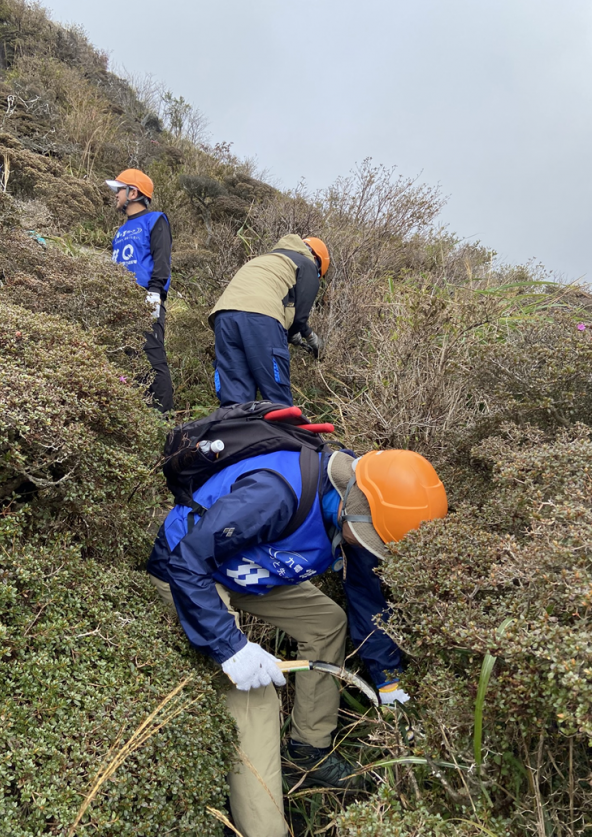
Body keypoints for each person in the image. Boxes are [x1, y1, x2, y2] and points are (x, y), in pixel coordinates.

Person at [147, 444, 448, 837]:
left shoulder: (358, 504)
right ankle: (264, 827)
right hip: (189, 573)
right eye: (373, 539)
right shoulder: (273, 495)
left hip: (246, 566)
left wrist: (389, 679)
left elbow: (365, 596)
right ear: (355, 507)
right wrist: (231, 647)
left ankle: (308, 750)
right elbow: (189, 561)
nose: (372, 548)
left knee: (327, 623)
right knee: (255, 698)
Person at [209, 234, 329, 407]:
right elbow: (300, 316)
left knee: (235, 398)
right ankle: (280, 432)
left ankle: (234, 430)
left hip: (224, 317)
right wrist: (308, 338)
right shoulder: (307, 264)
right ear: (318, 261)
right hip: (261, 319)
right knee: (276, 395)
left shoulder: (266, 259)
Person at [106, 169, 174, 412]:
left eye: (119, 189)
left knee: (153, 358)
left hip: (145, 298)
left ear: (133, 193)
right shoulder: (120, 230)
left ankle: (163, 419)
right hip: (118, 301)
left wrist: (154, 293)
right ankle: (137, 413)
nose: (115, 195)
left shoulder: (155, 219)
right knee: (127, 358)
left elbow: (162, 258)